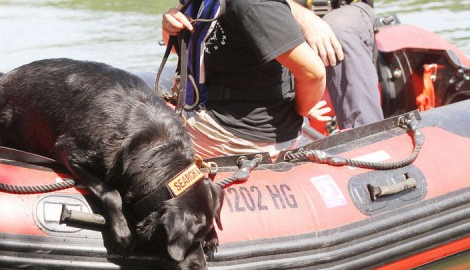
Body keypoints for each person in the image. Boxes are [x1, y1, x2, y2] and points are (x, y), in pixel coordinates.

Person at [162, 0, 330, 158]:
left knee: (148, 154)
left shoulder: (254, 5)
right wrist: (170, 26)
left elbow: (313, 73)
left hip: (239, 133)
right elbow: (182, 51)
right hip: (212, 110)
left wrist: (301, 108)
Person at [288, 0, 384, 129]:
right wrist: (301, 16)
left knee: (338, 32)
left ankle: (367, 135)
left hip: (344, 10)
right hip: (279, 12)